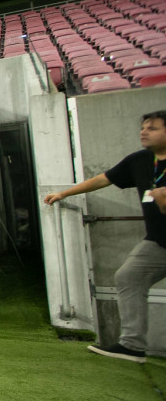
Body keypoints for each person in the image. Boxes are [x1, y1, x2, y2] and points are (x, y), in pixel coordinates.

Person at [44, 111, 166, 362]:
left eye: (152, 128)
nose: (144, 132)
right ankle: (132, 345)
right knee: (129, 276)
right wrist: (65, 194)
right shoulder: (139, 160)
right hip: (159, 242)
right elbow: (103, 179)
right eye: (143, 127)